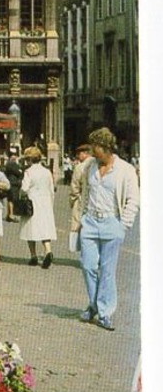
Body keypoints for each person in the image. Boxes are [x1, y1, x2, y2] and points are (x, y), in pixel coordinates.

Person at [74, 127, 140, 331]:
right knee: (88, 265)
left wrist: (123, 226)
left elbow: (133, 199)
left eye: (96, 149)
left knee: (107, 270)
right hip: (91, 222)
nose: (94, 153)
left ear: (106, 147)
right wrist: (82, 217)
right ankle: (94, 304)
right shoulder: (90, 167)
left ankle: (104, 311)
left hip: (112, 222)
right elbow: (83, 190)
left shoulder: (126, 170)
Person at [18, 146, 57, 268]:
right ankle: (48, 250)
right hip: (45, 202)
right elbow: (52, 188)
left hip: (32, 202)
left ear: (29, 159)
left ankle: (33, 256)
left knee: (31, 229)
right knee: (44, 228)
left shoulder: (29, 172)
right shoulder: (47, 172)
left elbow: (24, 188)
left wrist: (21, 194)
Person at [68, 143, 92, 251]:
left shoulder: (80, 167)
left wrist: (72, 200)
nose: (78, 156)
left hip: (82, 201)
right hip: (94, 201)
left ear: (85, 153)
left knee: (80, 226)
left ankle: (83, 250)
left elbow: (75, 187)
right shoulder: (97, 164)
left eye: (79, 153)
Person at [4, 151, 24, 221]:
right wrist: (20, 170)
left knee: (10, 199)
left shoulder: (8, 164)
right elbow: (19, 172)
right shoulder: (12, 164)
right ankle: (11, 215)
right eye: (13, 155)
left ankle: (9, 214)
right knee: (12, 199)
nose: (14, 157)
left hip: (11, 182)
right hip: (13, 183)